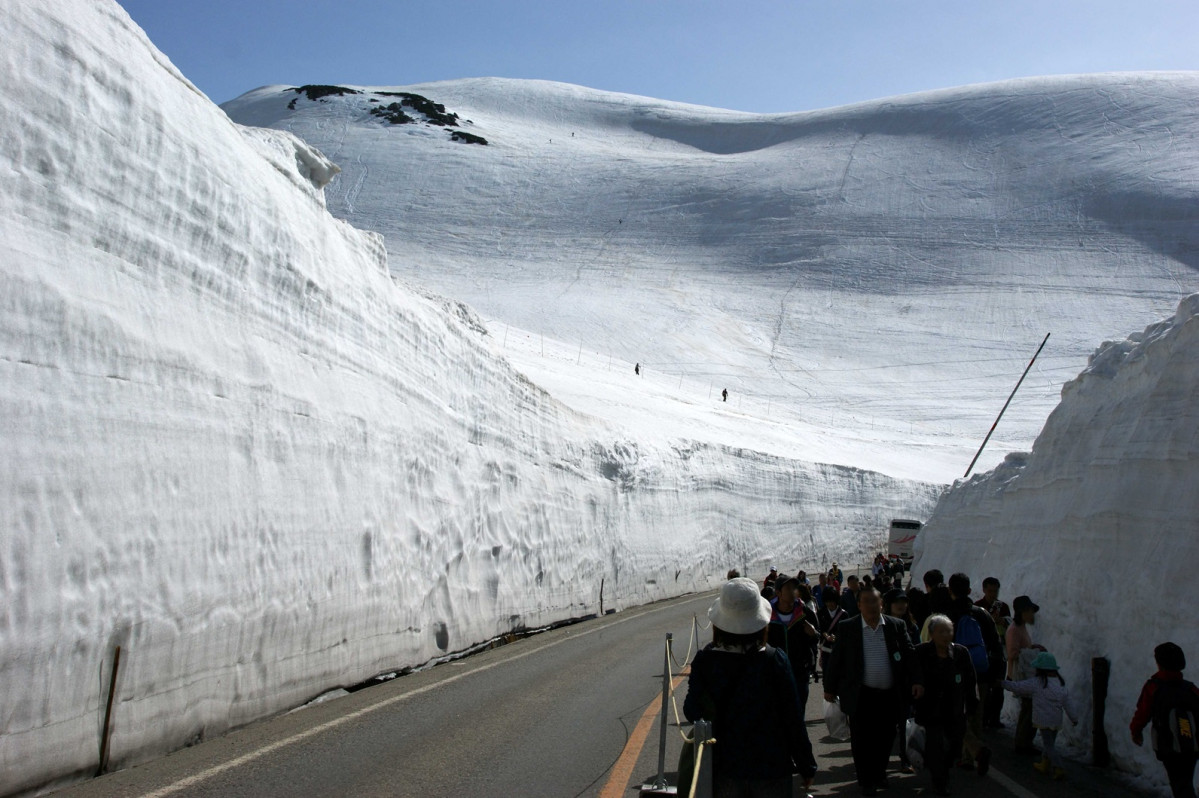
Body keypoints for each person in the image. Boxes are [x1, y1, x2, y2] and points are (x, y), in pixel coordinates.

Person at [684, 578, 817, 798]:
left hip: (723, 766)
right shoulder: (775, 659)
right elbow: (792, 717)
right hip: (771, 766)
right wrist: (806, 764)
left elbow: (692, 710)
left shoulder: (706, 660)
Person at [824, 588, 924, 796]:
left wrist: (916, 680)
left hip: (889, 694)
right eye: (866, 602)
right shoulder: (848, 627)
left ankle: (879, 772)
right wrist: (829, 688)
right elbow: (836, 660)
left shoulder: (896, 626)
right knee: (862, 740)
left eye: (874, 601)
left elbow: (910, 654)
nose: (871, 606)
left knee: (886, 737)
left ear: (881, 605)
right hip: (861, 694)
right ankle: (866, 780)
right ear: (859, 605)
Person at [914, 615, 979, 796]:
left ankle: (942, 769)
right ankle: (940, 782)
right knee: (936, 747)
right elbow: (914, 674)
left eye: (949, 631)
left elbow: (970, 679)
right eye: (941, 631)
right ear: (932, 633)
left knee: (954, 746)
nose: (946, 635)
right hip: (931, 710)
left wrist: (972, 702)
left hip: (954, 709)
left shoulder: (960, 653)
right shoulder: (921, 652)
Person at [1130, 642, 1199, 798]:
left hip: (1168, 746)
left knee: (1179, 785)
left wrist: (1136, 731)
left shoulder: (1153, 688)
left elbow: (1142, 713)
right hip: (1192, 746)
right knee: (1185, 782)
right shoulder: (1191, 689)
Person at [946, 573, 998, 775]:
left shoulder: (946, 615)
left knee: (954, 715)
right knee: (976, 713)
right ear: (969, 591)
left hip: (954, 674)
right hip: (980, 673)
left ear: (951, 591)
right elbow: (994, 645)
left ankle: (973, 751)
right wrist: (993, 673)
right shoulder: (982, 614)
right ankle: (971, 756)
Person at [1001, 651, 1077, 780]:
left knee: (1049, 745)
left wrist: (1003, 683)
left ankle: (1058, 767)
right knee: (1050, 742)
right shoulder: (1060, 683)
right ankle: (1044, 764)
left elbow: (1018, 687)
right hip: (1056, 720)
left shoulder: (1037, 683)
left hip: (1043, 720)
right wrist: (1074, 718)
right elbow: (1067, 703)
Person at [767, 575, 820, 707]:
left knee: (798, 711)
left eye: (794, 588)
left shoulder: (805, 612)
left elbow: (817, 638)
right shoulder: (768, 616)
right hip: (776, 674)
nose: (793, 591)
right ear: (778, 593)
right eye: (788, 588)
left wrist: (813, 634)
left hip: (800, 673)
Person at [1006, 595, 1046, 755]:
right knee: (1028, 710)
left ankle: (1024, 742)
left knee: (1028, 709)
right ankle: (1023, 744)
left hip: (1025, 675)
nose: (1032, 615)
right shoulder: (1015, 629)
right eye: (1030, 611)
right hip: (1022, 675)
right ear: (1023, 612)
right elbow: (1013, 653)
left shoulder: (1020, 627)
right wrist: (1033, 652)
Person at [975, 577, 1012, 729]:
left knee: (998, 687)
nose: (992, 594)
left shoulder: (1003, 607)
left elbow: (1012, 626)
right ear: (984, 590)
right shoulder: (977, 607)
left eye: (995, 591)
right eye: (990, 591)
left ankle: (995, 718)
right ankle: (983, 718)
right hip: (984, 652)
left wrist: (1003, 621)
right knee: (983, 688)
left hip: (999, 652)